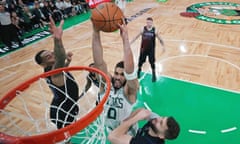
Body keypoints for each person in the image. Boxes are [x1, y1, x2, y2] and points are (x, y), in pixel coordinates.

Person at [91, 18, 139, 135]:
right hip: (111, 132)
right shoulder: (106, 85)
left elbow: (130, 71)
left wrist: (125, 39)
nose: (118, 77)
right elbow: (99, 62)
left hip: (128, 135)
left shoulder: (129, 90)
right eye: (116, 73)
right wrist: (96, 32)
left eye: (122, 75)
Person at [34, 16, 79, 129]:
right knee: (65, 136)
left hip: (64, 105)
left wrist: (67, 63)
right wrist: (57, 39)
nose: (52, 55)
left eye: (51, 53)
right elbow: (60, 57)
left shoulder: (53, 70)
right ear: (43, 64)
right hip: (63, 111)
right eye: (48, 56)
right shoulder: (53, 71)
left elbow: (62, 70)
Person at [108, 108, 180, 144]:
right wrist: (126, 121)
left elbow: (112, 137)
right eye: (162, 117)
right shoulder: (155, 123)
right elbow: (142, 111)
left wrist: (136, 118)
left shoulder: (144, 142)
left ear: (161, 136)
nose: (158, 118)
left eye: (161, 123)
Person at [131, 17, 165, 82]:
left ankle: (154, 74)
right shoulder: (142, 29)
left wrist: (163, 46)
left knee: (152, 63)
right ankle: (139, 71)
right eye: (147, 22)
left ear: (152, 23)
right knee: (140, 62)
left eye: (150, 22)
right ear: (146, 23)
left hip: (151, 50)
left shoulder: (155, 30)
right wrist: (130, 42)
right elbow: (136, 36)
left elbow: (160, 39)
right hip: (143, 49)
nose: (148, 24)